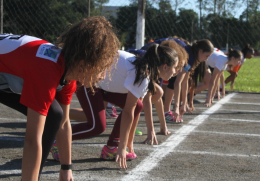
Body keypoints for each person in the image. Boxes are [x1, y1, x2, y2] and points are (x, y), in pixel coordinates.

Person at [0, 16, 118, 181]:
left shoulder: (67, 70)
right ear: (83, 64)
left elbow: (64, 123)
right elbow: (32, 140)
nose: (103, 75)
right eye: (102, 68)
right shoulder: (46, 70)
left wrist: (66, 168)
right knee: (48, 119)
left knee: (55, 115)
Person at [52, 44, 179, 169]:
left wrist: (129, 141)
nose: (175, 72)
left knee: (138, 105)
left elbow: (134, 108)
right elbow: (128, 112)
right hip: (88, 78)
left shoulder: (144, 70)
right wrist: (122, 147)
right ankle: (57, 140)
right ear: (165, 67)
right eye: (175, 67)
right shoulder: (142, 75)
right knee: (97, 126)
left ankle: (111, 148)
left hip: (102, 85)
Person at [143, 38, 214, 123]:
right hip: (147, 53)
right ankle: (166, 112)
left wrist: (184, 103)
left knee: (172, 79)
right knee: (170, 81)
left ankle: (165, 112)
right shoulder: (190, 56)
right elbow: (177, 83)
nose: (207, 59)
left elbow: (185, 82)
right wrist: (176, 107)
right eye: (207, 56)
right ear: (200, 51)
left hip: (154, 54)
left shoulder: (192, 56)